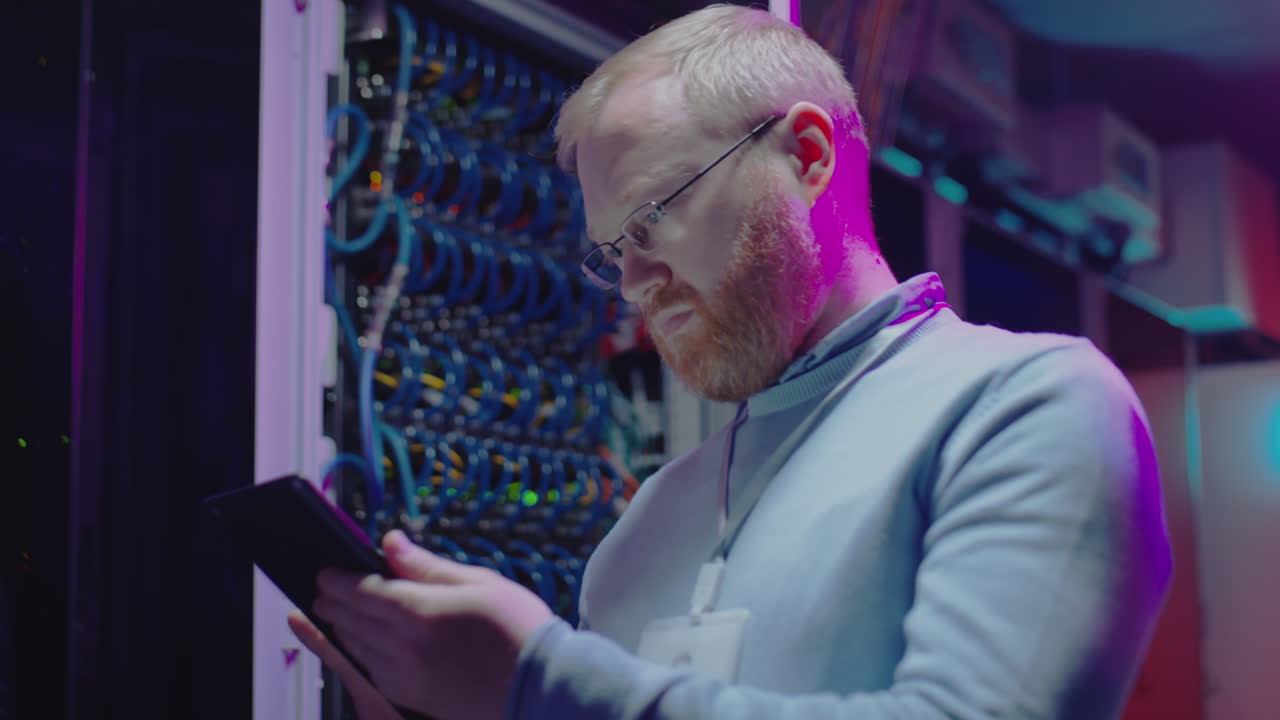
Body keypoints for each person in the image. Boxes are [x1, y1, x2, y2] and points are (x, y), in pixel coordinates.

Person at [288, 5, 1173, 718]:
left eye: (650, 220)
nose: (632, 283)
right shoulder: (648, 527)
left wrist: (539, 684)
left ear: (808, 154)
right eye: (609, 252)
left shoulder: (1027, 403)